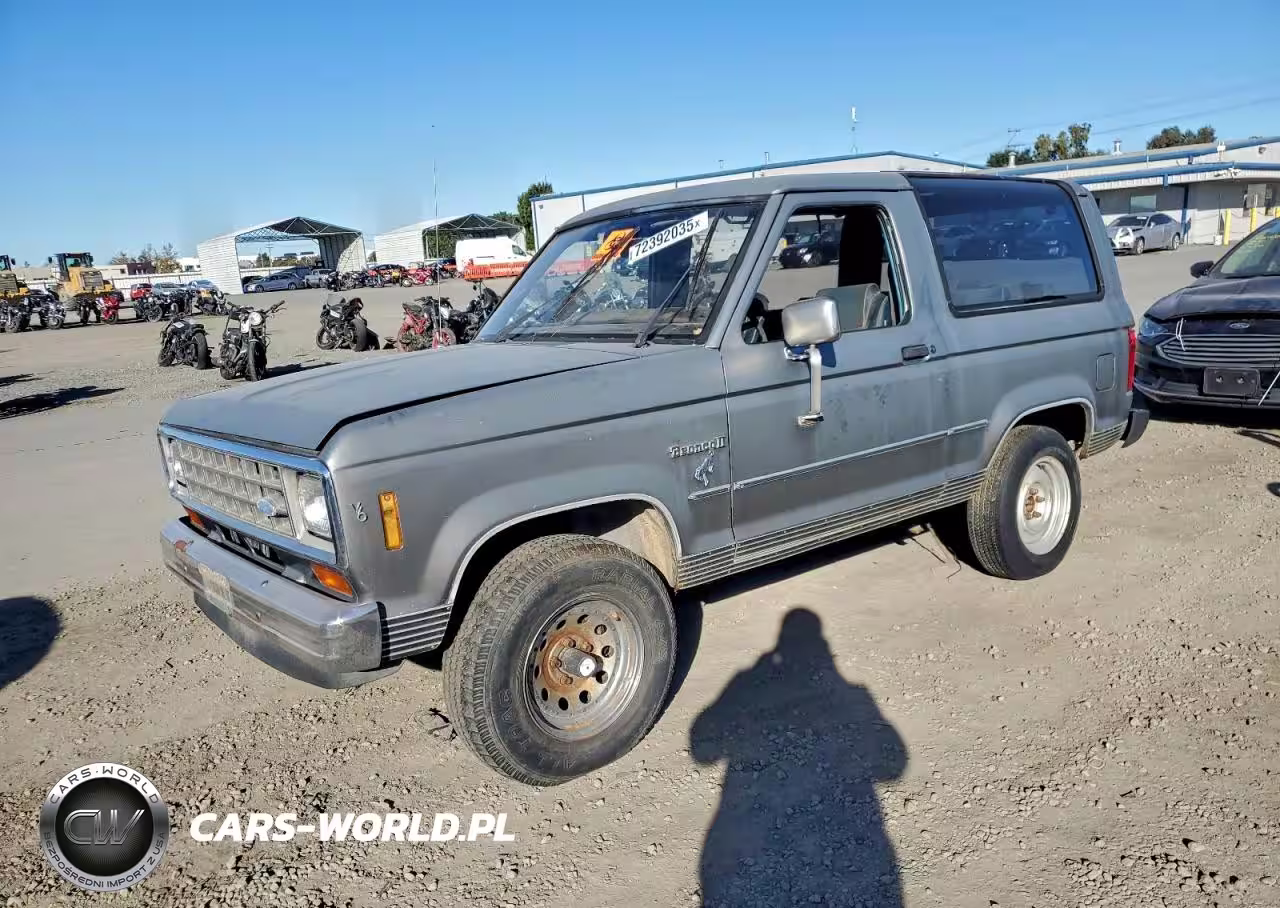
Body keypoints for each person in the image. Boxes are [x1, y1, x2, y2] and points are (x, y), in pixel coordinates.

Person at [691, 608, 907, 908]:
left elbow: (703, 751)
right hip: (844, 847)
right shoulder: (855, 696)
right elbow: (894, 765)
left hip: (741, 840)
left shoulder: (748, 681)